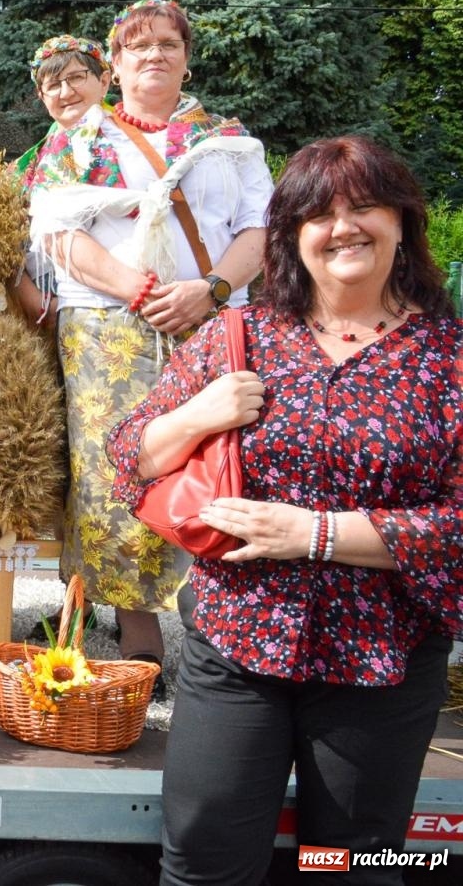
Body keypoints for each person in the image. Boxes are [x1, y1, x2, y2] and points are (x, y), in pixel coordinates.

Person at [108, 136, 461, 885]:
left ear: (402, 222)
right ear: (292, 236)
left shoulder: (448, 359)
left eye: (364, 207)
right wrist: (199, 413)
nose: (343, 227)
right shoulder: (240, 338)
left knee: (350, 871)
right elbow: (129, 456)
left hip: (381, 663)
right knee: (206, 865)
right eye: (320, 214)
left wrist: (316, 535)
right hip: (237, 647)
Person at [25, 0, 272, 679]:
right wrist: (135, 290)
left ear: (187, 56)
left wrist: (211, 288)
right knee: (114, 470)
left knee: (217, 463)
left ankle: (218, 630)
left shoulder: (228, 138)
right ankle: (141, 645)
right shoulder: (79, 140)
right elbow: (57, 234)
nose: (155, 54)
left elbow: (261, 227)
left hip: (213, 323)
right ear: (119, 63)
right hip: (108, 329)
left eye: (168, 42)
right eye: (139, 46)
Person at [10, 34, 113, 326]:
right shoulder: (28, 165)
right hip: (51, 313)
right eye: (53, 85)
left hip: (122, 302)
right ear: (42, 97)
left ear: (104, 81)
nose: (65, 92)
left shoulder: (133, 143)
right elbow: (6, 238)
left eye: (76, 78)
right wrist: (33, 300)